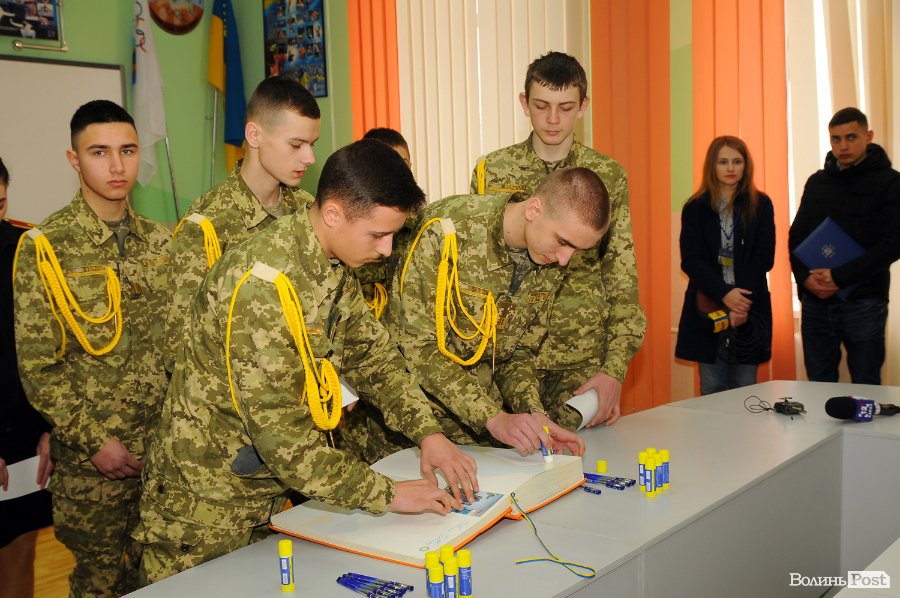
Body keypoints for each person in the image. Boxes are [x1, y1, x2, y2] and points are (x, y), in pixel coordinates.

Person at [134, 140, 479, 585]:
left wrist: (427, 433)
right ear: (333, 213)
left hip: (267, 495)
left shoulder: (328, 261)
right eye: (377, 235)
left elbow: (373, 356)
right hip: (204, 510)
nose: (387, 250)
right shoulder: (262, 287)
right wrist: (389, 494)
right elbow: (285, 440)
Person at [14, 100, 171, 597]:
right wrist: (95, 441)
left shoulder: (162, 242)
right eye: (99, 152)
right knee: (100, 586)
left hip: (163, 458)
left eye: (128, 150)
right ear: (74, 159)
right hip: (92, 468)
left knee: (164, 582)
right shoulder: (45, 247)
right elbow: (39, 365)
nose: (117, 165)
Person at [346, 167, 607, 463]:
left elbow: (518, 351)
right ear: (534, 209)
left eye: (578, 250)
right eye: (564, 242)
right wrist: (493, 417)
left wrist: (534, 414)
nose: (564, 260)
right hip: (415, 431)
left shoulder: (548, 256)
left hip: (483, 435)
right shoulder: (447, 231)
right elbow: (416, 347)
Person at [471, 51, 645, 429]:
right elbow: (479, 269)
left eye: (565, 107)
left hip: (580, 359)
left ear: (583, 106)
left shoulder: (607, 176)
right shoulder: (492, 171)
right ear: (524, 103)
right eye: (541, 106)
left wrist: (614, 370)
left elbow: (621, 275)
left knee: (585, 457)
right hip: (507, 358)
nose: (553, 119)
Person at [165, 76, 320, 371]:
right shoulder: (207, 225)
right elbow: (181, 350)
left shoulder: (307, 211)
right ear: (254, 135)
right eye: (296, 144)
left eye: (312, 144)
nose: (310, 157)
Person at [788, 107, 900, 384]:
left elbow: (893, 244)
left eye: (851, 137)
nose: (843, 146)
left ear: (868, 136)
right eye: (836, 139)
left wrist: (839, 277)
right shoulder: (817, 182)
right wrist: (804, 279)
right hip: (816, 301)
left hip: (864, 301)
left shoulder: (890, 182)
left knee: (866, 387)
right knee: (818, 386)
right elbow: (797, 234)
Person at [675, 136, 775, 394]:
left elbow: (764, 257)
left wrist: (740, 302)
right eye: (723, 162)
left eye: (737, 161)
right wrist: (724, 294)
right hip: (708, 307)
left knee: (745, 388)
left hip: (748, 308)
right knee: (712, 387)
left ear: (746, 165)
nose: (730, 168)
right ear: (712, 165)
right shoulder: (695, 207)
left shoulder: (761, 204)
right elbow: (691, 260)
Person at [0, 157, 53, 598]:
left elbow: (51, 349)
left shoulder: (26, 250)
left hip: (21, 435)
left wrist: (51, 428)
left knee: (18, 555)